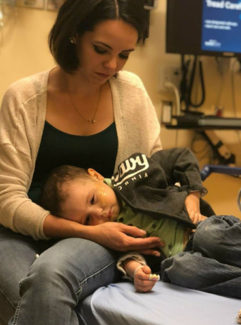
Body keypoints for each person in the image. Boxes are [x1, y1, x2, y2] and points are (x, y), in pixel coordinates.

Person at [0, 1, 167, 324]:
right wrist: (90, 232)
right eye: (102, 49)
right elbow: (6, 199)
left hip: (106, 230)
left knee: (49, 277)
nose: (112, 65)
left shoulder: (131, 94)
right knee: (35, 296)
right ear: (74, 34)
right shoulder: (23, 98)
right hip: (20, 232)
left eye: (124, 54)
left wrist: (99, 233)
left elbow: (154, 172)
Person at [40, 148, 241, 299]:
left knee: (209, 235)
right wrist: (136, 271)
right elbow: (127, 256)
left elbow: (181, 156)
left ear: (96, 176)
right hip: (184, 255)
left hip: (199, 226)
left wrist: (193, 194)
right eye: (87, 220)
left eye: (93, 199)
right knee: (180, 269)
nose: (99, 214)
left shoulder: (134, 173)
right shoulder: (105, 233)